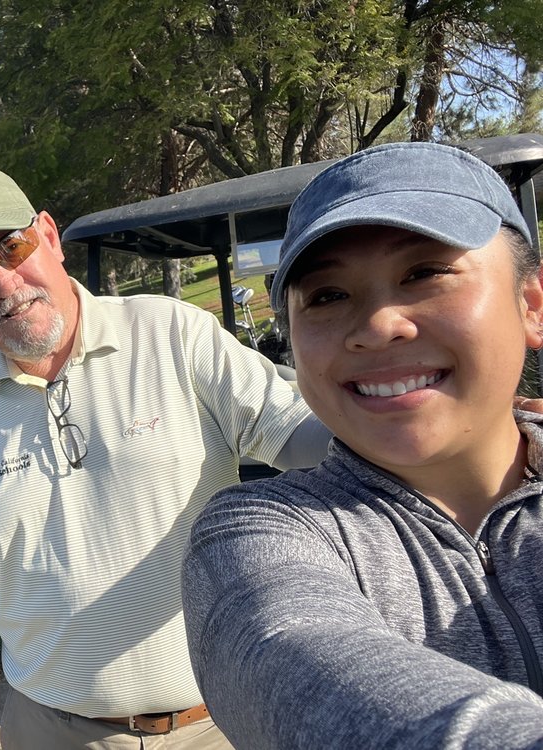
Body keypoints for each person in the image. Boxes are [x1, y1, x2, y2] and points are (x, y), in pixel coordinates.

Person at [0, 165, 335, 749]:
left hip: (218, 724)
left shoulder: (174, 334)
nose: (4, 284)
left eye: (13, 247)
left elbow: (301, 438)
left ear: (50, 235)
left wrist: (419, 429)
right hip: (48, 730)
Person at [182, 141, 543, 748]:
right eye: (327, 297)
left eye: (425, 272)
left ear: (530, 304)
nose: (379, 326)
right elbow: (293, 659)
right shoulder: (263, 532)